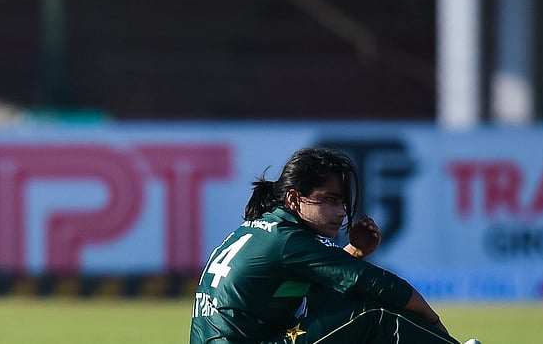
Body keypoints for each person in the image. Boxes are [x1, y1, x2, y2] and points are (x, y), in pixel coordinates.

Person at [189, 146, 480, 344]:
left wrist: (353, 253)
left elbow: (314, 290)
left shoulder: (261, 231)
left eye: (342, 201)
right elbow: (384, 287)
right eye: (328, 199)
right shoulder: (288, 240)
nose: (341, 211)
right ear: (293, 199)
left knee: (338, 308)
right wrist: (436, 325)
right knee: (371, 313)